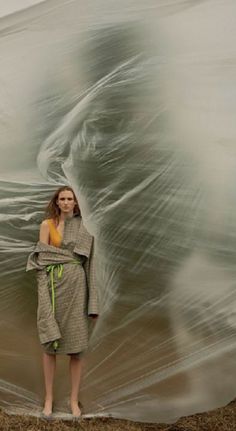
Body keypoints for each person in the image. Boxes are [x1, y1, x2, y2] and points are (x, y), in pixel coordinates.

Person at [27, 186, 99, 418]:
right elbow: (41, 258)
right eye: (62, 199)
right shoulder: (47, 225)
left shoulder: (85, 227)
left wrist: (93, 304)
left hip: (78, 289)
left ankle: (74, 400)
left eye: (70, 199)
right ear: (56, 202)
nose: (66, 202)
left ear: (76, 203)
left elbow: (91, 265)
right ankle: (48, 399)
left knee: (76, 349)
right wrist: (42, 292)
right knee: (50, 345)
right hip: (52, 288)